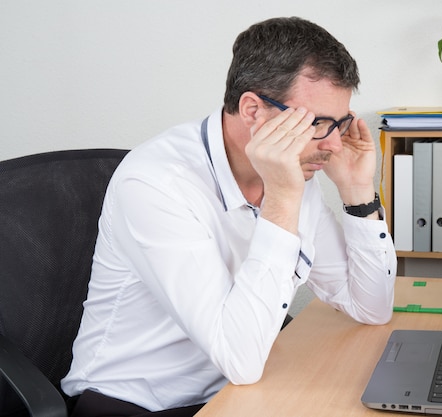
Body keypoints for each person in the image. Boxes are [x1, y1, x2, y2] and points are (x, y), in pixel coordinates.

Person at [61, 16, 397, 417]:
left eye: (339, 123)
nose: (333, 144)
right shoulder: (156, 184)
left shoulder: (293, 168)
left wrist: (358, 194)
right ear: (253, 109)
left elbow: (371, 307)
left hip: (237, 390)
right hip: (140, 404)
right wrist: (283, 199)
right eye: (317, 123)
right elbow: (239, 359)